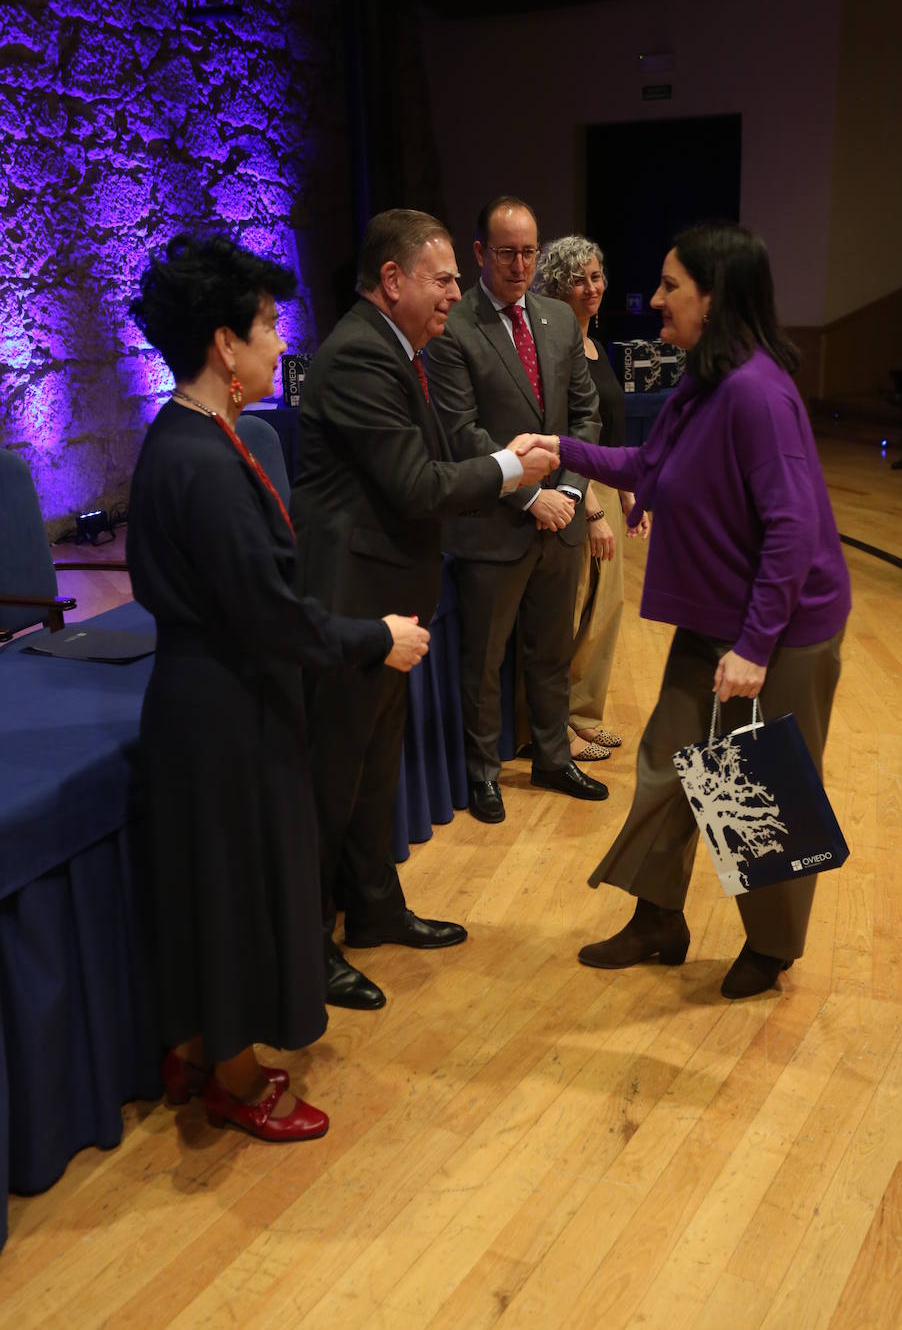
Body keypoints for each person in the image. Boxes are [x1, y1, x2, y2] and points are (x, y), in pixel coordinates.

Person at [127, 233, 431, 1141]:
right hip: (226, 710)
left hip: (205, 698)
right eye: (266, 327)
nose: (275, 344)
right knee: (232, 891)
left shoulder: (185, 435)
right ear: (224, 345)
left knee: (206, 884)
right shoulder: (207, 462)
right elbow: (269, 614)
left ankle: (190, 1044)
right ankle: (234, 1072)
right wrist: (374, 637)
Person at [517, 221, 851, 998]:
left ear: (716, 296)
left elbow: (793, 530)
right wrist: (560, 448)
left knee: (754, 785)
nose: (655, 297)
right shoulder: (704, 377)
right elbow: (645, 465)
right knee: (669, 762)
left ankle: (771, 950)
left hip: (780, 631)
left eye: (672, 286)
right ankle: (659, 916)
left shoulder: (758, 393)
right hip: (718, 622)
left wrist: (759, 646)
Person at [290, 208, 558, 1012]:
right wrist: (510, 467)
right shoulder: (359, 356)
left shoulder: (404, 351)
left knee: (374, 773)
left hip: (390, 604)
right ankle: (311, 950)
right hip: (350, 606)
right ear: (393, 278)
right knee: (330, 785)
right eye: (441, 277)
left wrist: (504, 464)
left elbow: (436, 464)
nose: (452, 292)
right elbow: (415, 485)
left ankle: (373, 909)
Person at [424, 196, 607, 825]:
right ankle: (482, 774)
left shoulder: (557, 318)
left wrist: (574, 495)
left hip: (563, 519)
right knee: (484, 662)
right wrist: (532, 495)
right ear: (480, 253)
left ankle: (553, 757)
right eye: (507, 252)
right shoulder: (453, 326)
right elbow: (460, 432)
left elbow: (586, 418)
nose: (520, 264)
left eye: (529, 251)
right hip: (495, 522)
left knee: (551, 653)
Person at [529, 235, 650, 762]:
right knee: (575, 610)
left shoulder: (599, 347)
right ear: (557, 285)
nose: (592, 287)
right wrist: (594, 508)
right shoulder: (553, 349)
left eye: (597, 276)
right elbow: (563, 434)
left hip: (604, 483)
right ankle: (560, 723)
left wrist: (628, 496)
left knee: (607, 610)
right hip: (572, 487)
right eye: (579, 278)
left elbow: (613, 432)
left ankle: (585, 715)